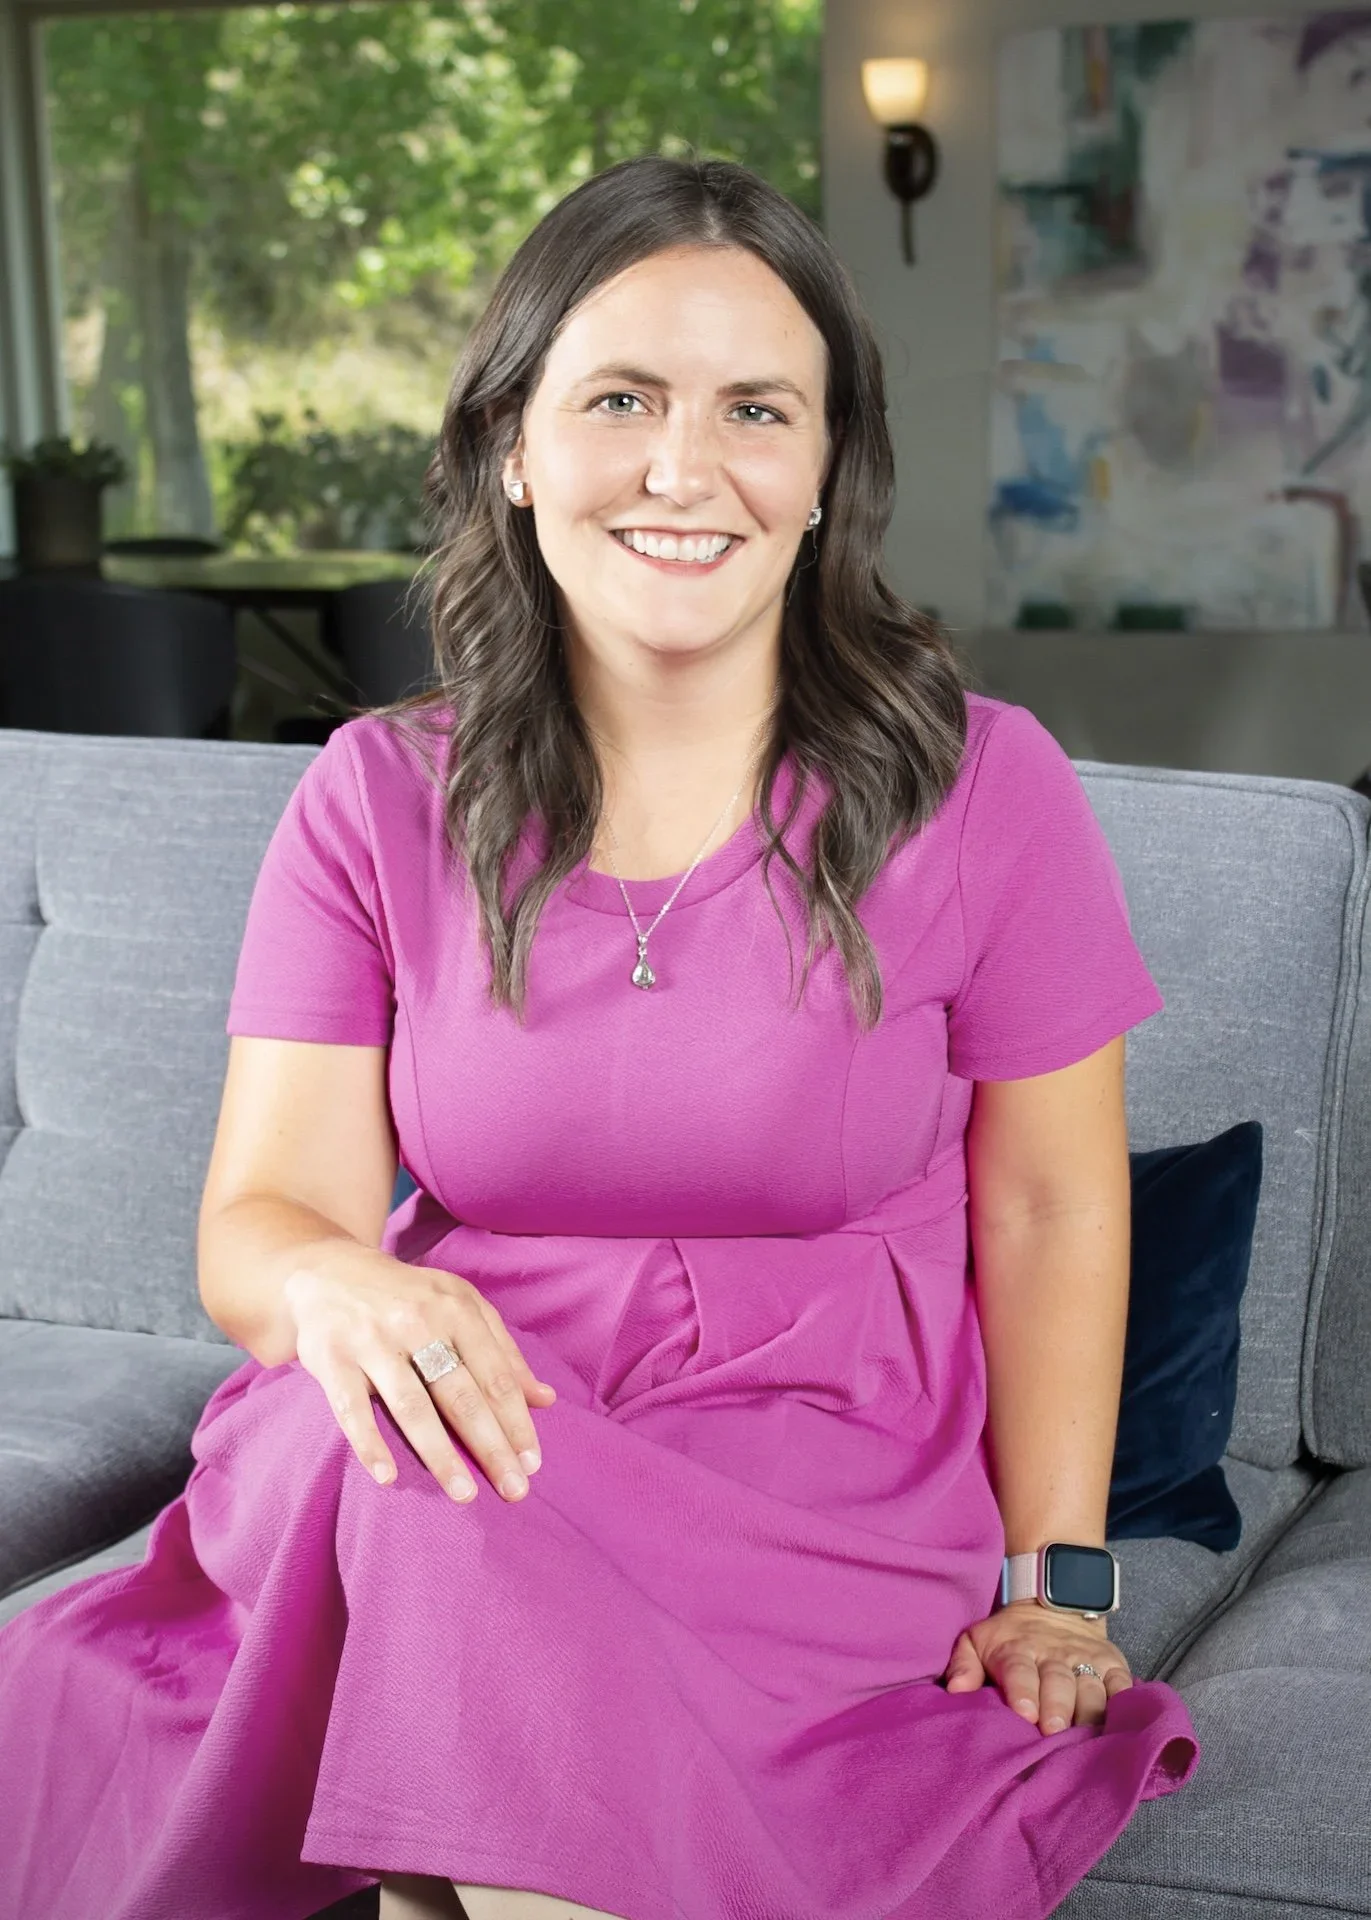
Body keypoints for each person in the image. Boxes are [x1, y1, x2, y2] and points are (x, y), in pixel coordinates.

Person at [0, 152, 1199, 1920]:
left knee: (427, 1518)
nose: (681, 467)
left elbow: (1045, 1212)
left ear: (824, 474)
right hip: (454, 1414)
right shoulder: (374, 798)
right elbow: (263, 1228)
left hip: (811, 1472)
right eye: (620, 397)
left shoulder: (982, 786)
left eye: (755, 410)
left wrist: (1063, 1583)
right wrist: (343, 1288)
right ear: (513, 442)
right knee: (408, 1469)